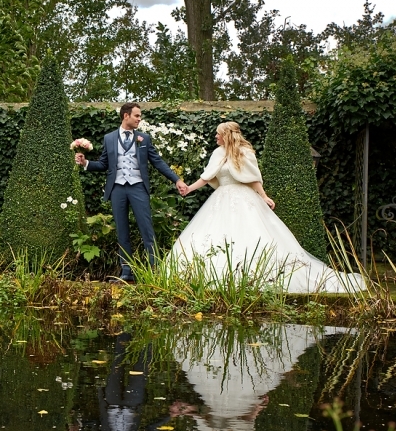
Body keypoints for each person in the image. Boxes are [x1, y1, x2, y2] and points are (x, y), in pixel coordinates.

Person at [174, 121, 364, 293]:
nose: (215, 137)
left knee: (250, 234)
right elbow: (207, 177)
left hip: (243, 199)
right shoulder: (217, 153)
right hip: (220, 200)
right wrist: (189, 188)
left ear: (227, 135)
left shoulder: (245, 153)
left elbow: (253, 178)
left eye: (218, 134)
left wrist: (263, 196)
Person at [75, 102, 188, 283]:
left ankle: (154, 271)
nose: (139, 119)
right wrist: (86, 163)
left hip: (137, 187)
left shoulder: (144, 138)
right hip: (117, 189)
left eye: (140, 116)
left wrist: (177, 180)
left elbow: (157, 162)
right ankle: (126, 272)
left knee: (146, 228)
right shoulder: (109, 138)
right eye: (136, 116)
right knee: (122, 231)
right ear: (125, 116)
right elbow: (104, 164)